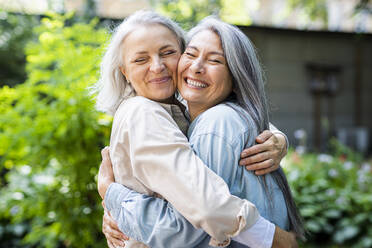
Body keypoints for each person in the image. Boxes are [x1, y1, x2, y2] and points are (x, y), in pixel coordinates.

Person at [93, 11, 299, 248]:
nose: (157, 66)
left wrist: (277, 138)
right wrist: (111, 195)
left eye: (168, 53)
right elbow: (196, 220)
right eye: (141, 60)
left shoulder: (180, 113)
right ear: (124, 71)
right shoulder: (143, 112)